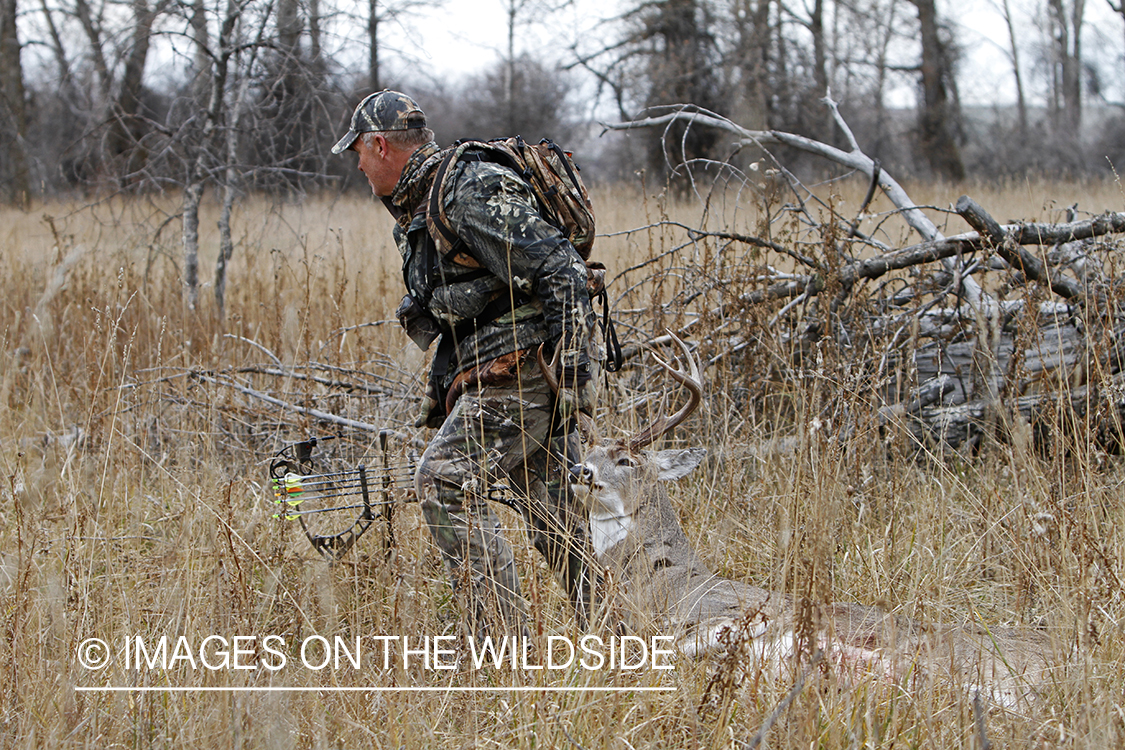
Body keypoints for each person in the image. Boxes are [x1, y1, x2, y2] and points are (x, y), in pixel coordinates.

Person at [332, 91, 600, 638]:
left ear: (380, 145)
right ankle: (624, 642)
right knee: (557, 520)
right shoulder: (420, 204)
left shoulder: (465, 189)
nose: (357, 163)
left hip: (522, 370)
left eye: (358, 150)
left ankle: (501, 653)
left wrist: (574, 381)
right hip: (501, 369)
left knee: (442, 481)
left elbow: (565, 271)